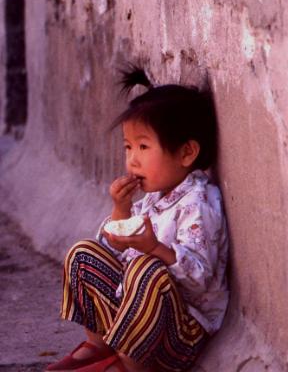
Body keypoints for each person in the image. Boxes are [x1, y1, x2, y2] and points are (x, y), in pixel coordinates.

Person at [46, 65, 229, 372]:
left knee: (147, 267)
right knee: (84, 252)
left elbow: (201, 277)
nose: (132, 159)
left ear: (187, 153)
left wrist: (155, 249)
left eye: (144, 147)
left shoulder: (199, 203)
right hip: (133, 319)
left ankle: (129, 366)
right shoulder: (154, 198)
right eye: (128, 147)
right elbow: (115, 251)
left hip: (178, 334)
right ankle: (97, 346)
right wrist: (121, 208)